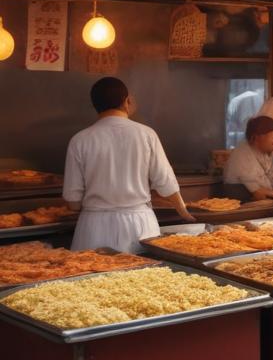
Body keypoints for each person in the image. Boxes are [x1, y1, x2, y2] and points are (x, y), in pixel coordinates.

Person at [63, 77, 194, 251]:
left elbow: (73, 202)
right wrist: (184, 212)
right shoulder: (146, 134)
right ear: (127, 101)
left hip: (94, 227)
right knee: (142, 277)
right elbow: (165, 182)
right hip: (139, 225)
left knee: (91, 275)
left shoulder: (79, 140)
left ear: (94, 105)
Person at [223, 116, 273, 200]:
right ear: (256, 137)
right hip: (241, 208)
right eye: (271, 136)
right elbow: (259, 194)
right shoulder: (242, 154)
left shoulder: (266, 153)